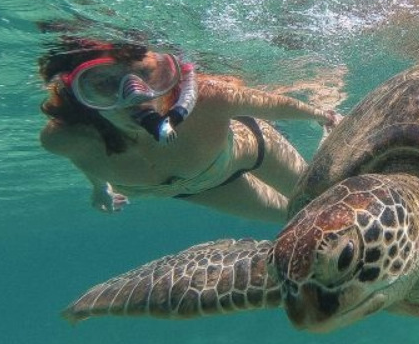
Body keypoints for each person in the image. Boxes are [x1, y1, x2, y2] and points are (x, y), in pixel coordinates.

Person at [38, 35, 340, 223]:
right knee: (297, 219)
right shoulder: (63, 138)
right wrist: (99, 188)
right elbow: (84, 159)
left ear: (166, 70)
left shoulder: (208, 97)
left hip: (253, 151)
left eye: (145, 74)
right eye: (103, 84)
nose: (136, 94)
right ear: (79, 94)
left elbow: (274, 105)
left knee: (323, 206)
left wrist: (321, 116)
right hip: (205, 188)